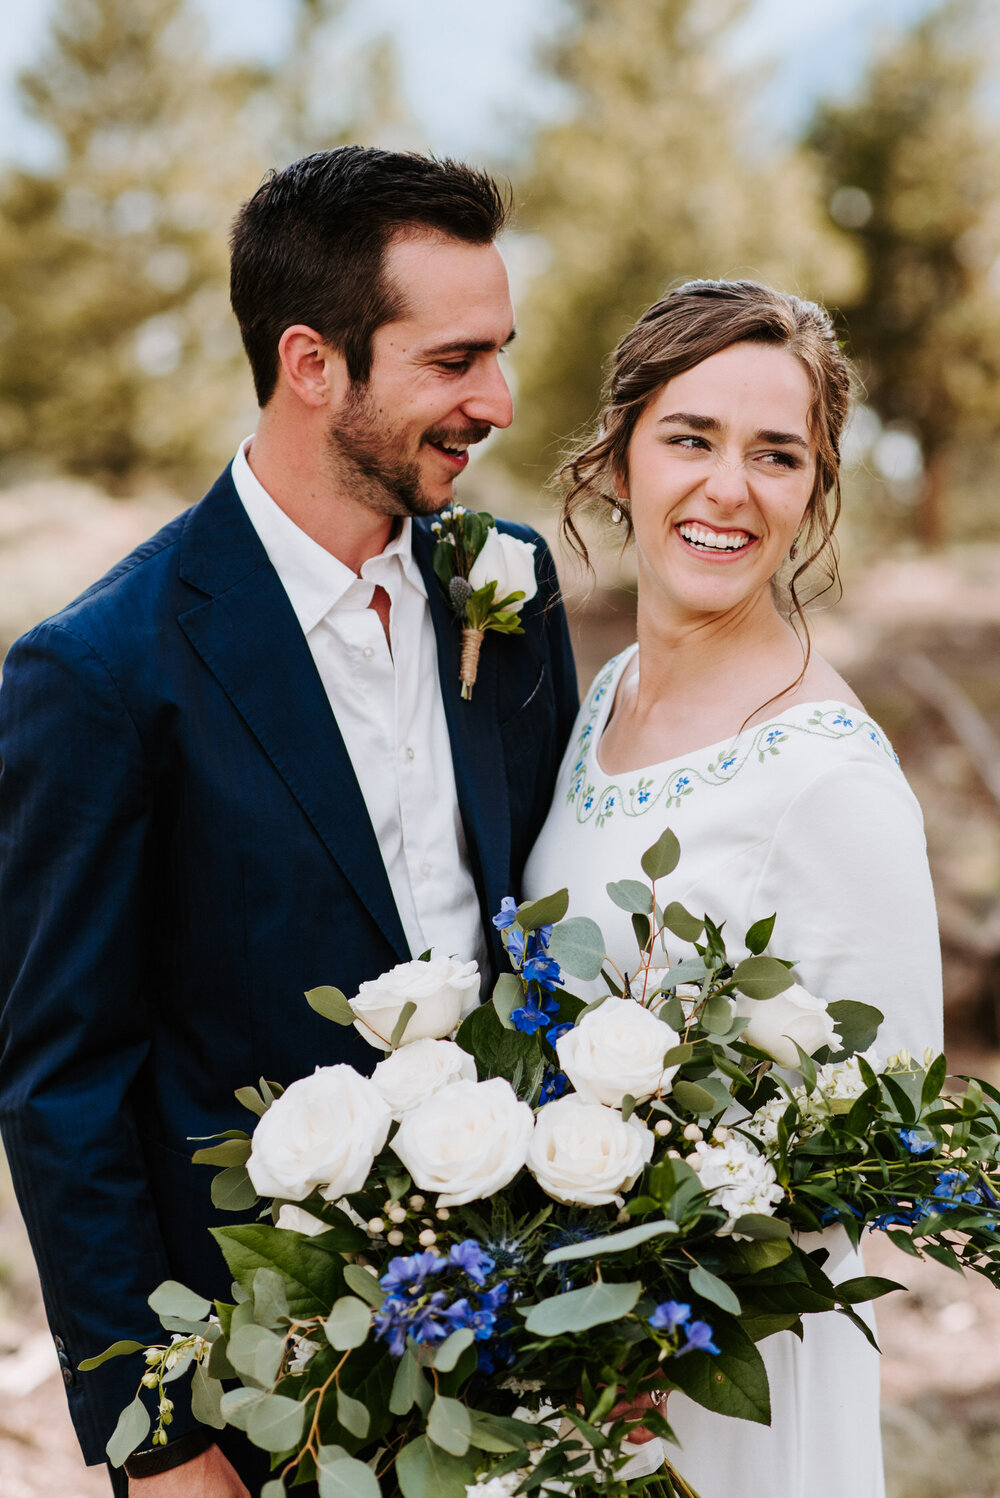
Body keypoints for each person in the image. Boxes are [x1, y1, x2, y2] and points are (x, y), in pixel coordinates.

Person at [0, 147, 578, 1497]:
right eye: (454, 361)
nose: (496, 400)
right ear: (312, 363)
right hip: (265, 1389)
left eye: (500, 351)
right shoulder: (99, 672)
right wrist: (160, 1441)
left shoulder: (510, 590)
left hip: (532, 1346)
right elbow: (60, 1080)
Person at [523, 279, 943, 1498]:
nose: (728, 488)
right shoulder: (604, 699)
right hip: (563, 1360)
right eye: (689, 438)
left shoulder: (826, 777)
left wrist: (668, 1288)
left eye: (776, 454)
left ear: (813, 490)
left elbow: (888, 1137)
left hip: (721, 1384)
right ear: (616, 459)